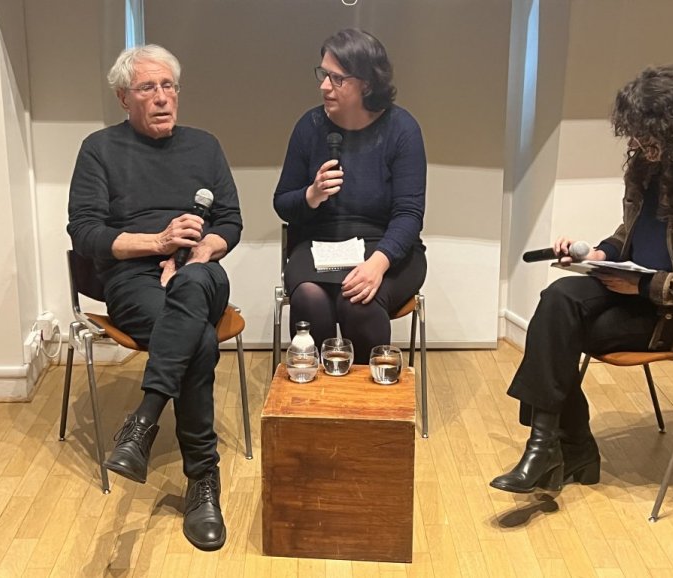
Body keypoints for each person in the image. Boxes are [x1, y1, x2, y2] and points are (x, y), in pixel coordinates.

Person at [490, 63, 673, 495]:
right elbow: (630, 234)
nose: (634, 143)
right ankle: (549, 448)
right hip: (633, 293)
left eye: (644, 134)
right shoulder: (647, 170)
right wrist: (599, 255)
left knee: (556, 332)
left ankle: (566, 448)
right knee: (559, 296)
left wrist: (645, 286)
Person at [67, 44, 242, 550]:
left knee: (193, 286)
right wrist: (158, 244)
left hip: (201, 272)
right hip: (132, 279)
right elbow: (85, 232)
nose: (163, 97)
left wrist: (197, 253)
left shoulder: (205, 146)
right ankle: (203, 480)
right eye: (148, 87)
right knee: (199, 342)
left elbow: (230, 221)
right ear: (125, 98)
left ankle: (144, 419)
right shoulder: (99, 149)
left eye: (169, 86)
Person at [273, 28, 427, 364]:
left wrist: (378, 264)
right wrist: (312, 195)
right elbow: (282, 202)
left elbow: (409, 214)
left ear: (367, 85)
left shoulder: (402, 129)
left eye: (337, 78)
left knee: (358, 304)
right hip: (319, 244)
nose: (324, 86)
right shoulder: (310, 126)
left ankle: (367, 394)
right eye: (323, 74)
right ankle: (318, 390)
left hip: (386, 248)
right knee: (310, 299)